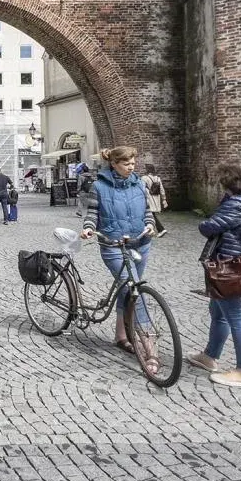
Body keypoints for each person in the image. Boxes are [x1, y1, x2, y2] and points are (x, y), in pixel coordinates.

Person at [186, 162, 241, 389]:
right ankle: (210, 356)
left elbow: (208, 227)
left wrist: (208, 219)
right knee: (218, 311)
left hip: (229, 266)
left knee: (236, 316)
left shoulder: (235, 206)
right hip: (232, 261)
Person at [80, 146, 155, 354]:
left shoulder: (140, 184)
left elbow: (147, 212)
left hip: (141, 243)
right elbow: (93, 213)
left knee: (128, 292)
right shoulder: (99, 187)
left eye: (133, 163)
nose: (131, 168)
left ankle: (121, 336)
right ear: (113, 164)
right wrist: (88, 228)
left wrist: (149, 224)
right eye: (126, 164)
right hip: (113, 246)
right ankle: (148, 346)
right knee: (134, 292)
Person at [141, 164, 168, 237]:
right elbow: (162, 190)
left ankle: (161, 229)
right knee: (151, 214)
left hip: (149, 198)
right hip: (156, 199)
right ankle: (152, 229)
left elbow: (141, 189)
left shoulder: (144, 178)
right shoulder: (158, 178)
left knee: (150, 214)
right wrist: (164, 199)